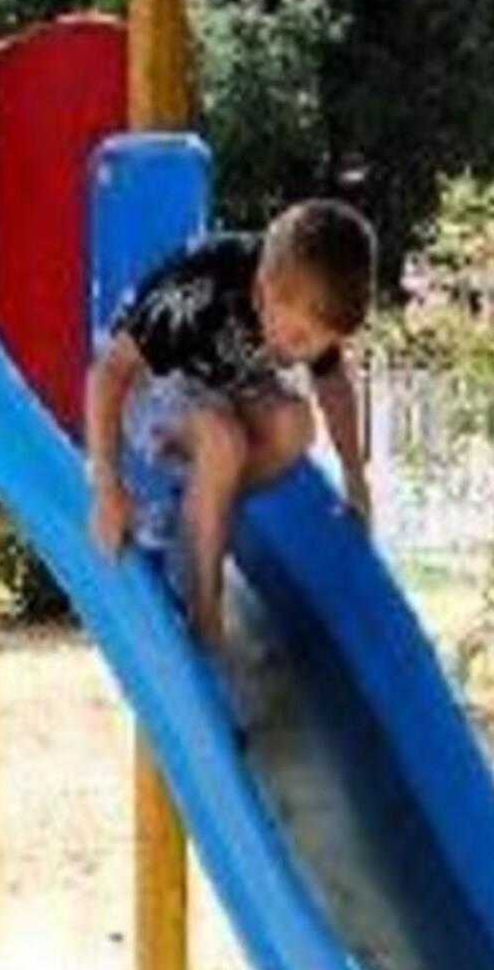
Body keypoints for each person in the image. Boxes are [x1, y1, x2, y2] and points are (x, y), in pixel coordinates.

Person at [86, 199, 376, 649]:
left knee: (296, 426)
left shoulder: (302, 296)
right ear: (264, 290)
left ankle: (197, 508)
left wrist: (355, 477)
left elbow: (333, 384)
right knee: (223, 439)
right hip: (149, 385)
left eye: (319, 343)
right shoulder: (202, 296)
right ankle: (203, 610)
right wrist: (106, 487)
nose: (305, 353)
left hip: (221, 383)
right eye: (298, 338)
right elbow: (109, 373)